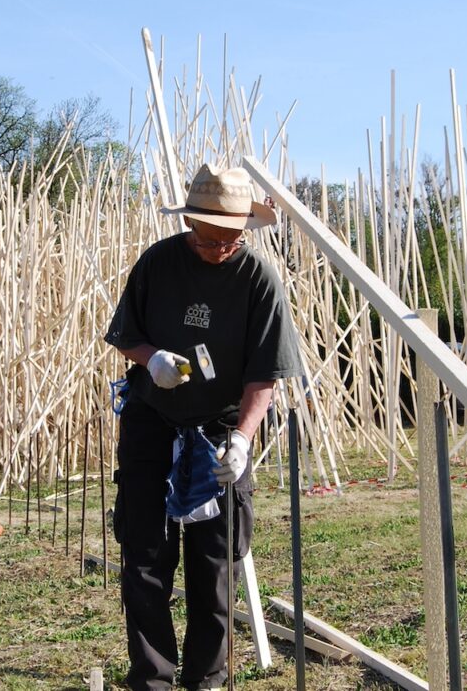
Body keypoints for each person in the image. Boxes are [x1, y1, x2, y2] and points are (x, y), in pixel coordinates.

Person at [105, 163, 303, 690]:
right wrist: (151, 360)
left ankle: (206, 679)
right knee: (145, 554)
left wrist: (242, 439)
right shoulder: (157, 264)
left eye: (231, 240)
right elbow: (127, 335)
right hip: (153, 420)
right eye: (210, 240)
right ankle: (152, 678)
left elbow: (265, 375)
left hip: (220, 426)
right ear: (190, 224)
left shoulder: (259, 280)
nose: (221, 249)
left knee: (216, 560)